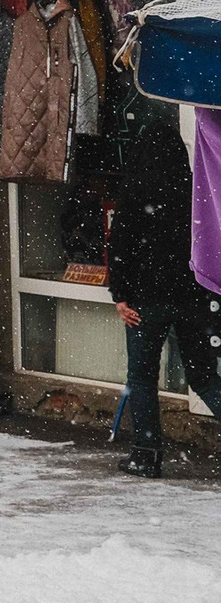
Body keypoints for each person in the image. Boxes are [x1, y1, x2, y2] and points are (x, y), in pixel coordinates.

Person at [109, 92, 221, 478]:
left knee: (142, 376)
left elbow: (119, 246)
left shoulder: (135, 191)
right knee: (204, 377)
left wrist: (120, 296)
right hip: (191, 297)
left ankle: (146, 454)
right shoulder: (195, 191)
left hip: (145, 301)